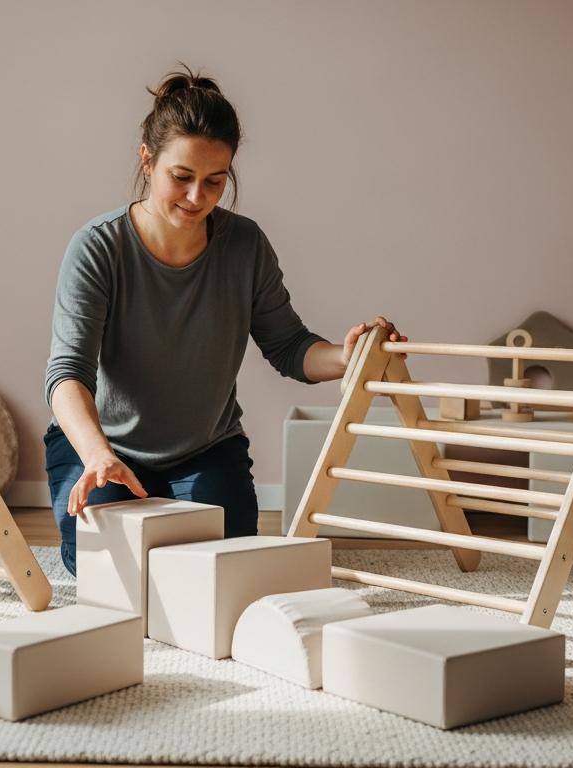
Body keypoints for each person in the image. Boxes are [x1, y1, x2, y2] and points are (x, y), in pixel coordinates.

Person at [43, 65, 402, 575]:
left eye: (214, 181)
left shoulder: (245, 245)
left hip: (204, 452)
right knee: (108, 572)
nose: (197, 198)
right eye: (181, 178)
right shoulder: (98, 247)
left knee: (221, 571)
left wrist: (350, 356)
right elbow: (66, 376)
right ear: (147, 160)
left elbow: (291, 347)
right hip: (104, 446)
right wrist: (98, 454)